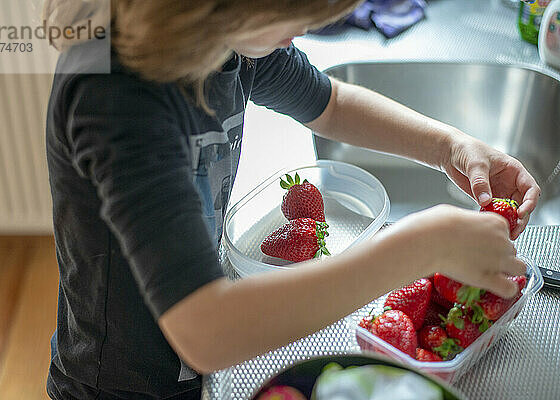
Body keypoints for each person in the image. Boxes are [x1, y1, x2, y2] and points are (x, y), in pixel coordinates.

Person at [44, 1, 541, 399]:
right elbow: (205, 331)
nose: (305, 30)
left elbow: (332, 104)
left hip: (186, 369)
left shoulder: (226, 41)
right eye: (299, 13)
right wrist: (419, 247)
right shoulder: (114, 95)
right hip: (118, 384)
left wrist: (447, 146)